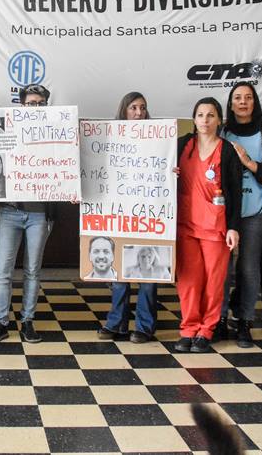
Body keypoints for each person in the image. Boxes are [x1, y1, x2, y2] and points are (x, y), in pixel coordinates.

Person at [0, 83, 61, 345]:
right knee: (2, 270)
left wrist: (70, 185)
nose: (35, 108)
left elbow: (66, 166)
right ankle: (1, 323)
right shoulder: (8, 130)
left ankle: (27, 321)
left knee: (32, 270)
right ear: (22, 106)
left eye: (40, 104)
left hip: (40, 214)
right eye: (31, 104)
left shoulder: (56, 132)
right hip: (10, 212)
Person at [219, 82, 262, 347]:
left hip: (254, 212)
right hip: (223, 213)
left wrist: (249, 163)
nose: (243, 102)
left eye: (248, 97)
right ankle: (220, 318)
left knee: (248, 269)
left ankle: (245, 321)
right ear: (231, 103)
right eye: (237, 98)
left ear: (255, 102)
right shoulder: (221, 133)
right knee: (221, 270)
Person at [173, 97, 241, 354]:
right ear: (194, 119)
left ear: (219, 120)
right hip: (185, 225)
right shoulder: (181, 146)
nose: (205, 120)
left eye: (210, 115)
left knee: (214, 281)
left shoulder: (227, 150)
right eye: (200, 115)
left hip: (216, 227)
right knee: (189, 281)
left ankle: (206, 329)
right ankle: (188, 328)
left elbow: (236, 193)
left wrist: (234, 227)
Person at [99, 92, 160, 343]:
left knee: (149, 273)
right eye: (133, 107)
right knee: (119, 275)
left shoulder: (159, 139)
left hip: (150, 214)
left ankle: (144, 326)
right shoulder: (110, 138)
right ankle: (117, 323)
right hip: (119, 212)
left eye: (142, 108)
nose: (138, 113)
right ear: (124, 110)